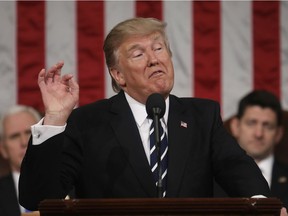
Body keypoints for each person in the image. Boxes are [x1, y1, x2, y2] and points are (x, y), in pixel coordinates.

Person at [18, 17, 286, 215]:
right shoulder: (88, 123)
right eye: (138, 54)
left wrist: (262, 204)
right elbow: (37, 198)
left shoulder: (202, 116)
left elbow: (236, 168)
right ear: (118, 75)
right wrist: (54, 119)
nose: (154, 59)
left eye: (158, 49)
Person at [214, 90, 288, 208]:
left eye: (267, 125)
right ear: (235, 126)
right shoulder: (211, 180)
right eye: (251, 123)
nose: (259, 134)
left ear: (278, 134)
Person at [0, 105, 41, 216]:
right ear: (3, 149)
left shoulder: (71, 186)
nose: (23, 142)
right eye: (14, 136)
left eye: (29, 133)